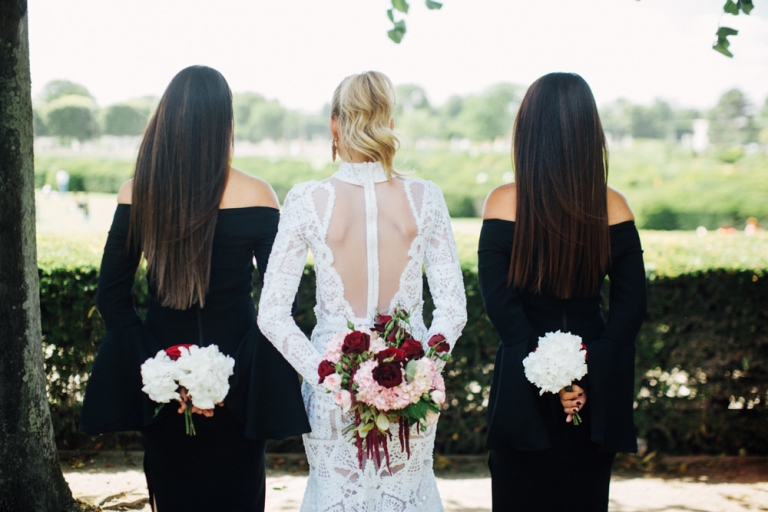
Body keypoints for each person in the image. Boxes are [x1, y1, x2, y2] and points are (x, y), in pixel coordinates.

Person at [80, 65, 309, 512]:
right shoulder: (260, 194)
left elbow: (112, 295)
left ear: (168, 118)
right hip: (240, 381)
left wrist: (161, 366)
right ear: (225, 122)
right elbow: (283, 300)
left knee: (174, 495)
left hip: (160, 377)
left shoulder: (138, 192)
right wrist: (236, 373)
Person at [257, 71, 467, 511]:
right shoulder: (425, 197)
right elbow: (453, 309)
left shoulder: (306, 199)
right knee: (406, 498)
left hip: (333, 392)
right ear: (388, 120)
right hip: (412, 391)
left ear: (335, 124)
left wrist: (326, 376)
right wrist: (420, 373)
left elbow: (272, 314)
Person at [478, 72, 647, 512]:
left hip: (521, 380)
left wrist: (542, 366)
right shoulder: (614, 206)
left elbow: (499, 302)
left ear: (528, 131)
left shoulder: (502, 202)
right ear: (590, 132)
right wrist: (591, 371)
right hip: (593, 392)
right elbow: (631, 306)